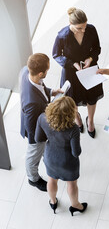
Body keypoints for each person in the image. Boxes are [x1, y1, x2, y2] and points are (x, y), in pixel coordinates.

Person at [52, 7, 103, 138]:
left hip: (89, 68)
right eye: (80, 28)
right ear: (71, 24)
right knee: (71, 99)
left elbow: (97, 48)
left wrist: (90, 59)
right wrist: (72, 63)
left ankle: (90, 120)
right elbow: (56, 55)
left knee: (92, 96)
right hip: (70, 72)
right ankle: (77, 119)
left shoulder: (91, 30)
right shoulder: (62, 36)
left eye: (84, 26)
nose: (83, 30)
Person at [35, 96, 87, 216]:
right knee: (72, 184)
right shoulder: (73, 128)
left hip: (50, 158)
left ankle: (53, 202)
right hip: (68, 163)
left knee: (51, 180)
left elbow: (38, 138)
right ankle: (75, 206)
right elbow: (76, 152)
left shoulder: (42, 118)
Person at [20, 53, 62, 192]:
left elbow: (41, 88)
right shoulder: (32, 102)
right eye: (46, 71)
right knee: (33, 156)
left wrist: (51, 92)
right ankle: (33, 179)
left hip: (40, 122)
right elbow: (31, 127)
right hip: (36, 134)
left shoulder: (27, 71)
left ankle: (47, 157)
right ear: (40, 73)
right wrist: (42, 138)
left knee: (43, 150)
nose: (47, 73)